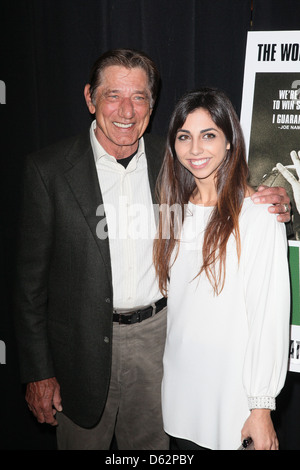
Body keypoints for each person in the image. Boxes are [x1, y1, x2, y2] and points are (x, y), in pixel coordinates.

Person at [14, 49, 290, 450]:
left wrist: (276, 199)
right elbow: (29, 284)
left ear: (152, 104)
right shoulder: (48, 170)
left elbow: (226, 189)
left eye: (139, 97)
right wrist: (38, 372)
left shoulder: (173, 162)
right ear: (90, 98)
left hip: (158, 345)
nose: (126, 110)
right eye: (113, 96)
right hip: (81, 351)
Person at [153, 88, 291, 450]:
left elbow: (268, 314)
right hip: (179, 395)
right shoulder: (172, 213)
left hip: (233, 401)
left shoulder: (260, 215)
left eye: (208, 135)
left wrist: (260, 407)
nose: (195, 149)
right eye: (184, 137)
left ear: (230, 141)